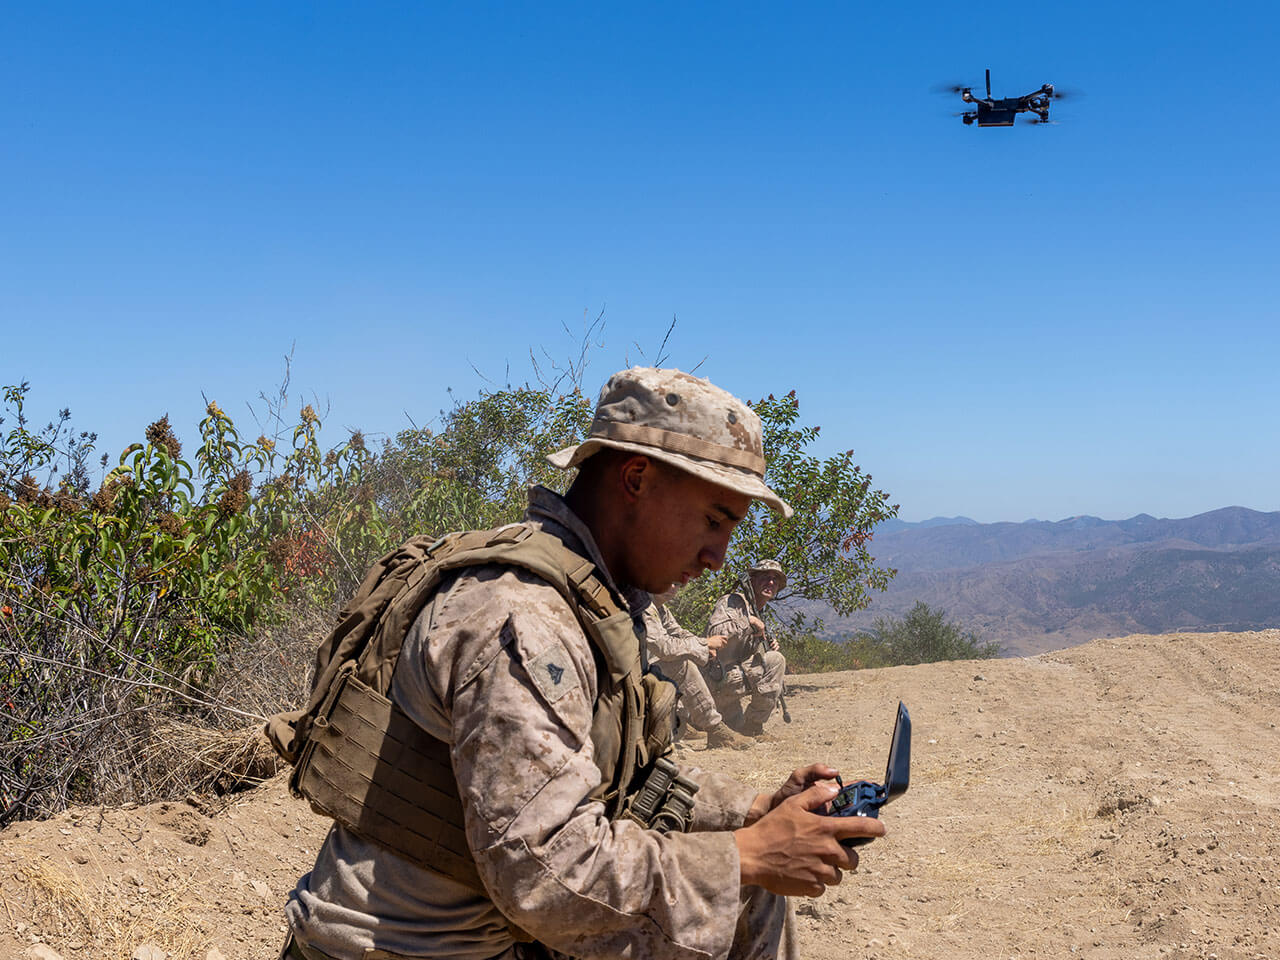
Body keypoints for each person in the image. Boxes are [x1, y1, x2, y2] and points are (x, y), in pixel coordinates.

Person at [280, 367, 884, 960]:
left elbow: (621, 782)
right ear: (637, 477)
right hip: (412, 949)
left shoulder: (589, 600)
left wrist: (753, 812)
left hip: (495, 929)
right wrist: (747, 854)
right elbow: (543, 872)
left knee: (748, 892)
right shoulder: (524, 619)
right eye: (713, 520)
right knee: (739, 881)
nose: (718, 557)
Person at [641, 587, 752, 750]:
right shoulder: (642, 605)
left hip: (642, 677)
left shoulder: (661, 609)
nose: (673, 586)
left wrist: (704, 647)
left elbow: (679, 633)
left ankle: (681, 721)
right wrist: (705, 644)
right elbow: (664, 647)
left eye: (677, 582)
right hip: (627, 681)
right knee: (680, 665)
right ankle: (716, 729)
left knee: (689, 654)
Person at [705, 560, 789, 737]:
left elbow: (745, 653)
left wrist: (766, 646)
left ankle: (753, 727)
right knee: (775, 661)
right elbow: (715, 634)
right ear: (752, 580)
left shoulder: (759, 611)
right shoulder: (732, 601)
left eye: (775, 580)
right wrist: (748, 622)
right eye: (765, 577)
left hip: (730, 687)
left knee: (774, 658)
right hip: (713, 682)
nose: (771, 582)